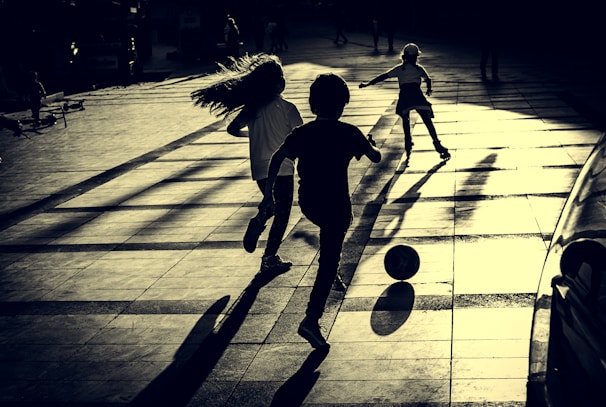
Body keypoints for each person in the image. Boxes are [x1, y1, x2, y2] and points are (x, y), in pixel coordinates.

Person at [259, 73, 381, 349]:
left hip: (309, 202)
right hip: (336, 204)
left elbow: (277, 158)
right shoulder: (349, 132)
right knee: (330, 258)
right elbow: (376, 157)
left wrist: (268, 197)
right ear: (342, 105)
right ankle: (311, 320)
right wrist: (369, 144)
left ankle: (329, 266)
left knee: (331, 241)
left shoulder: (302, 133)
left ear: (313, 105)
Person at [190, 53, 303, 273]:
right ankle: (269, 257)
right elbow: (301, 136)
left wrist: (253, 137)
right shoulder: (288, 108)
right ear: (278, 83)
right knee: (283, 212)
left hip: (259, 169)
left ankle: (262, 217)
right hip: (283, 168)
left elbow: (232, 129)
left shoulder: (253, 109)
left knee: (272, 201)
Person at [359, 43, 450, 160]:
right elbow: (428, 79)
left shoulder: (399, 69)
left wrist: (368, 84)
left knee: (405, 121)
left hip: (405, 97)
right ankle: (437, 144)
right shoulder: (419, 69)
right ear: (416, 57)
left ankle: (408, 143)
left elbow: (383, 76)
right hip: (417, 96)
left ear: (404, 56)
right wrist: (428, 89)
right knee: (427, 120)